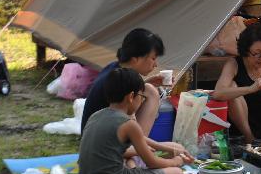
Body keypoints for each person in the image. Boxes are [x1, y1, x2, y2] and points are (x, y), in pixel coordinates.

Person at [81, 28, 192, 161]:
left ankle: (137, 146)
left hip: (99, 140)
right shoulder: (117, 82)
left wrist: (147, 82)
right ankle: (137, 147)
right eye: (152, 58)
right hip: (103, 146)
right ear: (136, 59)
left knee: (149, 88)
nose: (155, 64)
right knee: (150, 91)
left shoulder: (116, 70)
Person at [79, 68, 188, 174]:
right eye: (141, 97)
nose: (141, 101)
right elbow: (152, 163)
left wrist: (164, 147)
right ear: (131, 97)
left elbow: (141, 139)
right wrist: (176, 161)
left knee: (130, 160)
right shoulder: (128, 124)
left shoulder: (97, 115)